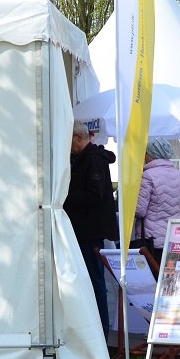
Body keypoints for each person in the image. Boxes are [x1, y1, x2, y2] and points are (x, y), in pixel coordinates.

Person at [64, 121, 115, 336]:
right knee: (89, 282)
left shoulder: (92, 160)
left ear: (78, 137)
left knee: (95, 281)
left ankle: (101, 332)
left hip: (90, 231)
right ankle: (93, 331)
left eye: (69, 141)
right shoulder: (84, 159)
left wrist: (64, 198)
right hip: (83, 230)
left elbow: (95, 194)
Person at [134, 138, 180, 264]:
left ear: (150, 154)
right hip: (175, 239)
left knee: (152, 276)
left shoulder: (147, 176)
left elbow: (140, 210)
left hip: (151, 240)